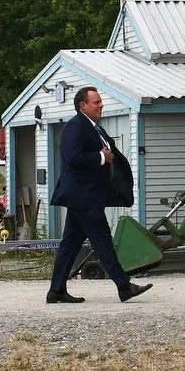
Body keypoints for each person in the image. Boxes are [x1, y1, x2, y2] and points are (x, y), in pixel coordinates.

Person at [45, 87, 153, 304]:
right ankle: (124, 286)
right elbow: (72, 157)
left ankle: (56, 290)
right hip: (84, 197)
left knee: (70, 244)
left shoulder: (95, 128)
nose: (101, 105)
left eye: (100, 101)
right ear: (82, 105)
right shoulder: (76, 126)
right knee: (103, 241)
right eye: (96, 102)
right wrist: (100, 157)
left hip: (87, 197)